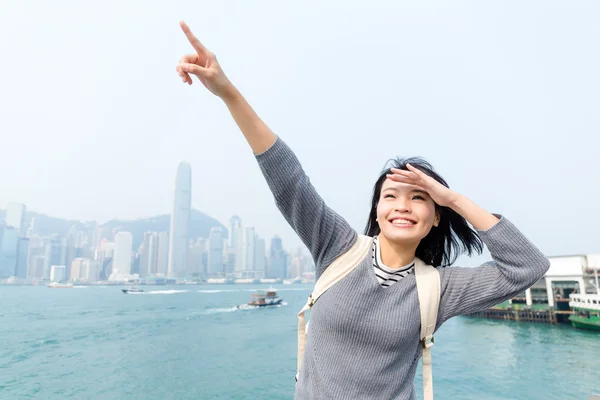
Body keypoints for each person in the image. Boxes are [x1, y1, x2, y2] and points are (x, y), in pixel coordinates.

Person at [175, 21, 551, 400]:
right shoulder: (337, 247)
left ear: (435, 217)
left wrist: (452, 199)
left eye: (419, 197)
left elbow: (528, 267)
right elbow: (288, 178)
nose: (402, 205)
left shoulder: (437, 288)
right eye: (390, 196)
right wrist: (228, 93)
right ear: (377, 211)